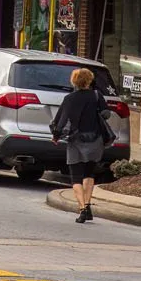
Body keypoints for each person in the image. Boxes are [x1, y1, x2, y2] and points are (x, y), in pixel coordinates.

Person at [50, 67, 111, 223]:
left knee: (76, 177)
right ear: (89, 80)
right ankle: (88, 205)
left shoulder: (69, 99)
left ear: (74, 81)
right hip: (95, 140)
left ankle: (82, 209)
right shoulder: (97, 96)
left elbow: (60, 122)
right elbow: (106, 114)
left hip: (76, 142)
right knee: (89, 174)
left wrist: (56, 136)